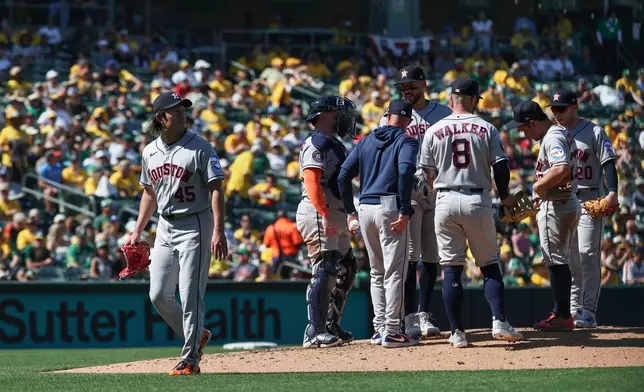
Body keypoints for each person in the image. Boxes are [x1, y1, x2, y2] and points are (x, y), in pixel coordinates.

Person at [127, 92, 227, 376]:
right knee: (158, 295)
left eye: (183, 108)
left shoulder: (200, 147)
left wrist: (218, 230)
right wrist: (138, 230)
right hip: (165, 226)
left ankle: (190, 359)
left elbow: (217, 188)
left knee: (190, 293)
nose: (182, 113)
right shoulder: (149, 152)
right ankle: (197, 335)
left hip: (196, 222)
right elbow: (149, 194)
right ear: (161, 117)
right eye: (175, 110)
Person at [420, 78, 523, 348]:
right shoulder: (486, 127)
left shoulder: (435, 129)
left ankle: (457, 333)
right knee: (489, 264)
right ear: (475, 99)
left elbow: (427, 173)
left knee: (451, 268)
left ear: (451, 99)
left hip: (444, 199)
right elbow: (501, 167)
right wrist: (504, 196)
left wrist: (436, 192)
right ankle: (499, 321)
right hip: (477, 198)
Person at [339, 99, 420, 348]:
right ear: (408, 121)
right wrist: (406, 209)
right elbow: (406, 172)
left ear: (387, 116)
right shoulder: (406, 140)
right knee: (395, 272)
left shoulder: (366, 141)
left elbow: (343, 176)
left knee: (377, 272)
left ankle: (379, 328)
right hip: (390, 206)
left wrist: (350, 212)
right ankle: (393, 331)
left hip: (365, 208)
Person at [378, 65, 452, 339]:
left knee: (433, 256)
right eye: (403, 87)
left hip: (437, 189)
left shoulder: (443, 113)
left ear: (423, 84)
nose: (407, 91)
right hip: (409, 191)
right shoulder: (392, 114)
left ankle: (423, 313)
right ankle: (408, 317)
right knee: (411, 257)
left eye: (412, 85)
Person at [506, 101, 581, 332]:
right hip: (565, 202)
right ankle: (563, 312)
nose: (523, 134)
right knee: (560, 261)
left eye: (524, 128)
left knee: (556, 261)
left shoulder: (552, 137)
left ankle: (562, 315)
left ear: (533, 122)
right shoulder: (559, 133)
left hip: (557, 205)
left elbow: (561, 169)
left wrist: (538, 186)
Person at [548, 88, 619, 329]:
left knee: (588, 255)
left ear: (574, 106)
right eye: (554, 109)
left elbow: (608, 161)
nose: (556, 113)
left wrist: (612, 192)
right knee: (571, 260)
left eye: (561, 108)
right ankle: (574, 309)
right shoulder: (553, 133)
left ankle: (588, 310)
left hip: (590, 197)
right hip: (565, 199)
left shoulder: (594, 131)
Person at [296, 95, 359, 348]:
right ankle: (314, 331)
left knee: (347, 265)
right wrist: (323, 214)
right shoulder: (317, 142)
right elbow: (312, 179)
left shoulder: (331, 142)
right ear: (322, 116)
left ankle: (331, 325)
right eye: (337, 114)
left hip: (334, 210)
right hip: (318, 209)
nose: (343, 119)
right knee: (326, 266)